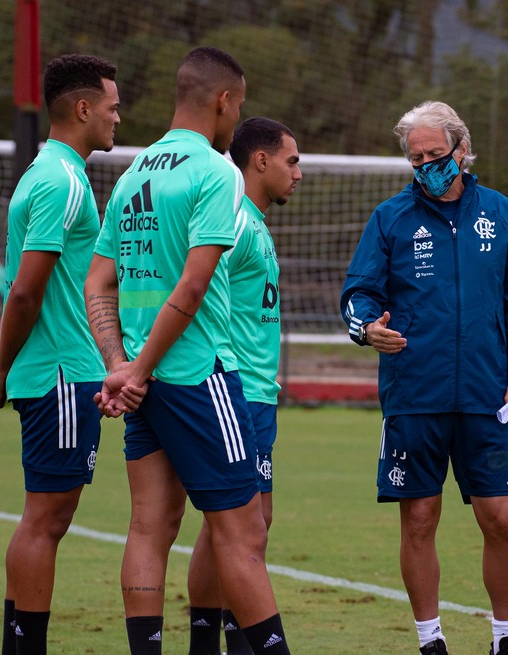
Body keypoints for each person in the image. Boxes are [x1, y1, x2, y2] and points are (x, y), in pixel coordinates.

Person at [83, 47, 292, 655]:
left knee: (150, 525)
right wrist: (140, 368)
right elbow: (195, 284)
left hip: (140, 382)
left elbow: (98, 283)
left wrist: (119, 367)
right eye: (240, 105)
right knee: (243, 530)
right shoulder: (217, 171)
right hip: (197, 374)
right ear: (224, 101)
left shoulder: (134, 172)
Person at [340, 100, 508, 655]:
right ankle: (431, 641)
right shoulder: (390, 219)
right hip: (414, 394)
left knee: (500, 517)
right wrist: (365, 329)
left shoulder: (499, 213)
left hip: (485, 395)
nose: (427, 164)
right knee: (420, 518)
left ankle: (506, 639)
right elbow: (358, 294)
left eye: (435, 154)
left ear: (462, 149)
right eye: (417, 158)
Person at [0, 54, 120, 655]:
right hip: (62, 374)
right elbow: (27, 287)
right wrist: (1, 363)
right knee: (46, 522)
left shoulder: (46, 172)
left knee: (41, 520)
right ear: (82, 108)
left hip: (51, 371)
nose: (116, 118)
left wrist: (6, 363)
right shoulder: (61, 180)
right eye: (111, 106)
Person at [186, 117, 301, 655]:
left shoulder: (254, 219)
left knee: (237, 525)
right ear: (260, 160)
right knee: (239, 525)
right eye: (291, 161)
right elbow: (199, 281)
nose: (298, 173)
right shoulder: (234, 219)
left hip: (258, 393)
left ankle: (224, 640)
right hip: (238, 391)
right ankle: (220, 641)